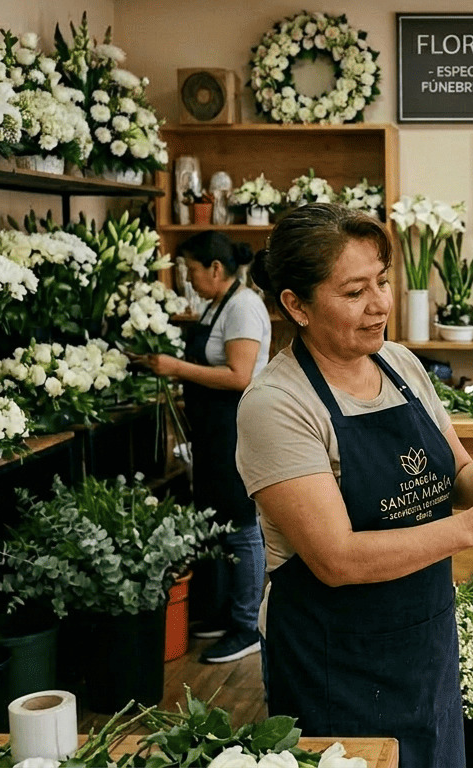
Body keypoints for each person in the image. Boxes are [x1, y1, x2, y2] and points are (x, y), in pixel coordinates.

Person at [236, 203, 473, 766]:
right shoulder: (277, 405)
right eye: (354, 292)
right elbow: (337, 558)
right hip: (336, 663)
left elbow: (459, 478)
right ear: (296, 305)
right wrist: (472, 529)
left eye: (382, 281)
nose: (380, 304)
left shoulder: (401, 365)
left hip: (424, 646)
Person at [139, 231, 272, 664]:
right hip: (214, 432)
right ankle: (220, 612)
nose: (189, 280)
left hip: (237, 428)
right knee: (215, 520)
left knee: (241, 524)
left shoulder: (244, 306)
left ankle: (248, 624)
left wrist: (174, 367)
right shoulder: (218, 304)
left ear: (216, 268)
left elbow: (240, 375)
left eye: (192, 270)